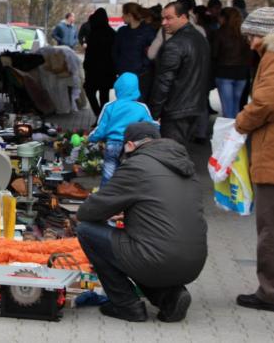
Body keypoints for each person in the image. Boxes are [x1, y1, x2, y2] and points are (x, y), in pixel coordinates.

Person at [76, 122, 207, 323]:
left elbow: (89, 211)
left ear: (129, 145)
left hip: (156, 258)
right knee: (137, 246)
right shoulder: (186, 166)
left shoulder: (137, 165)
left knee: (87, 231)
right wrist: (131, 214)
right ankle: (168, 296)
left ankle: (126, 305)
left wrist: (109, 212)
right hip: (193, 262)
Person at [234, 7, 274, 312]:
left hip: (271, 156)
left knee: (269, 228)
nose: (250, 43)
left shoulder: (272, 58)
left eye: (251, 36)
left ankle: (269, 292)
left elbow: (264, 102)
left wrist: (241, 122)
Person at [148, 1, 210, 148]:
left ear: (183, 17)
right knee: (179, 152)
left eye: (169, 18)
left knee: (171, 155)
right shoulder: (200, 38)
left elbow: (164, 82)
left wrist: (153, 114)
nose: (164, 23)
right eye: (163, 18)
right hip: (194, 106)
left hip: (176, 110)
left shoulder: (174, 44)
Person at [88, 73, 155, 188]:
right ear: (136, 89)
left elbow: (101, 129)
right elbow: (149, 127)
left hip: (112, 146)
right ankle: (125, 199)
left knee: (108, 176)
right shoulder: (142, 107)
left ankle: (105, 199)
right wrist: (158, 125)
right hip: (132, 147)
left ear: (117, 88)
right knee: (129, 177)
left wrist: (91, 137)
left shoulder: (110, 106)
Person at [112, 2, 156, 102]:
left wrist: (143, 66)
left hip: (142, 76)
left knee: (139, 102)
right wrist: (119, 67)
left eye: (123, 13)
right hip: (124, 74)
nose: (121, 16)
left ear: (130, 15)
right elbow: (115, 51)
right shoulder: (122, 31)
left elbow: (153, 52)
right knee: (124, 102)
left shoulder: (148, 31)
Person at [211, 7, 251, 118]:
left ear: (224, 18)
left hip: (224, 73)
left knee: (227, 108)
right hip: (242, 74)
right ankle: (237, 131)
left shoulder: (219, 33)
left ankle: (228, 133)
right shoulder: (245, 34)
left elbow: (214, 54)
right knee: (237, 106)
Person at [83, 8, 116, 117]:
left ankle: (98, 115)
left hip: (93, 70)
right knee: (104, 95)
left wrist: (86, 65)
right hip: (107, 70)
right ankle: (103, 118)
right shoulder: (112, 33)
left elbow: (89, 53)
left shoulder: (93, 34)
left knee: (89, 91)